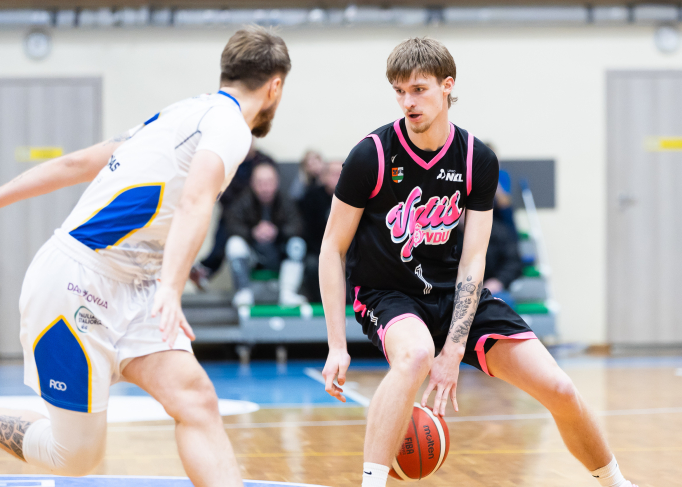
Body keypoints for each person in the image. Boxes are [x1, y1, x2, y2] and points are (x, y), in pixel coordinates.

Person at [0, 26, 290, 487]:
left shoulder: (178, 115)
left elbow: (77, 163)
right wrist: (172, 289)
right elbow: (196, 201)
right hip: (76, 282)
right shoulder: (229, 126)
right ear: (275, 87)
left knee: (196, 401)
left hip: (136, 288)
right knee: (75, 457)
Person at [319, 37, 637, 487]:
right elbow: (331, 248)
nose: (408, 102)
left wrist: (454, 349)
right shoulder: (370, 155)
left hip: (455, 295)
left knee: (561, 389)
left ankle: (617, 483)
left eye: (419, 90)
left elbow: (473, 259)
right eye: (400, 92)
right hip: (387, 293)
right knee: (415, 355)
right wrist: (337, 344)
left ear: (447, 86)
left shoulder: (476, 159)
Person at [190, 141, 277, 290]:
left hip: (260, 212)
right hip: (234, 212)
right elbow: (221, 188)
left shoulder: (265, 160)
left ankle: (204, 269)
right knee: (225, 236)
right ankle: (204, 270)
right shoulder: (229, 162)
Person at [225, 162, 306, 307]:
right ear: (252, 183)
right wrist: (252, 232)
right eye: (260, 183)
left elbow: (297, 225)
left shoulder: (286, 201)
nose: (265, 188)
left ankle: (288, 293)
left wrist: (277, 232)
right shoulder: (242, 201)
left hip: (279, 253)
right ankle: (244, 292)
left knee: (297, 245)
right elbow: (232, 225)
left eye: (269, 182)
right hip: (253, 254)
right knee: (234, 245)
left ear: (277, 182)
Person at [300, 160, 343, 302]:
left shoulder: (355, 197)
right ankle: (320, 304)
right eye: (334, 174)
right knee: (312, 265)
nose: (339, 177)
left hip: (347, 251)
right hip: (318, 250)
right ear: (324, 177)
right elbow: (308, 231)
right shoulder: (311, 197)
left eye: (342, 174)